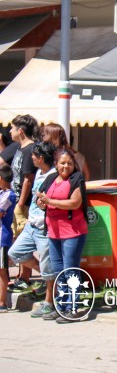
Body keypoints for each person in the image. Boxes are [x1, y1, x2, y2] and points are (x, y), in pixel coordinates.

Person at [35, 148, 88, 323]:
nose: (66, 166)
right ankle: (61, 307)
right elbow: (40, 201)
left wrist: (50, 201)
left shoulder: (77, 179)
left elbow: (75, 203)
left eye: (69, 163)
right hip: (54, 232)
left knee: (70, 270)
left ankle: (72, 308)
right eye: (62, 163)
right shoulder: (51, 178)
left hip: (73, 232)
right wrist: (41, 202)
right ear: (56, 164)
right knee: (58, 271)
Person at [8, 143, 58, 318]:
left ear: (41, 158)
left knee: (48, 266)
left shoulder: (53, 176)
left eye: (34, 156)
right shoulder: (39, 172)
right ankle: (46, 277)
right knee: (16, 253)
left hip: (44, 228)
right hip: (31, 225)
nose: (32, 158)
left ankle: (49, 302)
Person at [8, 114, 37, 288]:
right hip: (17, 200)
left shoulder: (29, 149)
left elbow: (28, 179)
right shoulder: (19, 148)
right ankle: (21, 276)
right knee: (17, 237)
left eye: (12, 128)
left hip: (24, 203)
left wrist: (20, 204)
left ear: (20, 131)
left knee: (22, 239)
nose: (9, 132)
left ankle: (25, 278)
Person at [0, 165, 16, 312]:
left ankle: (2, 303)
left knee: (2, 270)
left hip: (2, 237)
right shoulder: (2, 193)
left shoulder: (9, 195)